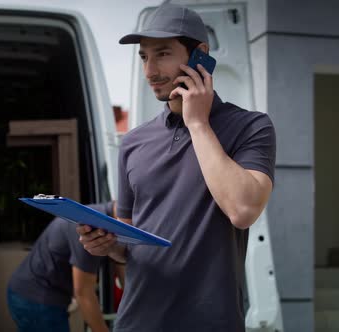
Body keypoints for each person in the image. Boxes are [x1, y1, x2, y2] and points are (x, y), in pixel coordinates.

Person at [77, 4, 275, 332]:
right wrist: (109, 245)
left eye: (163, 53)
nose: (150, 70)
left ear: (200, 55)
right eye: (144, 57)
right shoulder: (133, 143)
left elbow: (243, 210)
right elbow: (129, 243)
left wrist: (196, 122)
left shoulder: (251, 127)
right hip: (137, 322)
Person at [7, 201, 122, 332]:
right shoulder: (91, 229)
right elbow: (83, 293)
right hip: (35, 297)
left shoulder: (111, 223)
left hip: (32, 291)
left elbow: (121, 264)